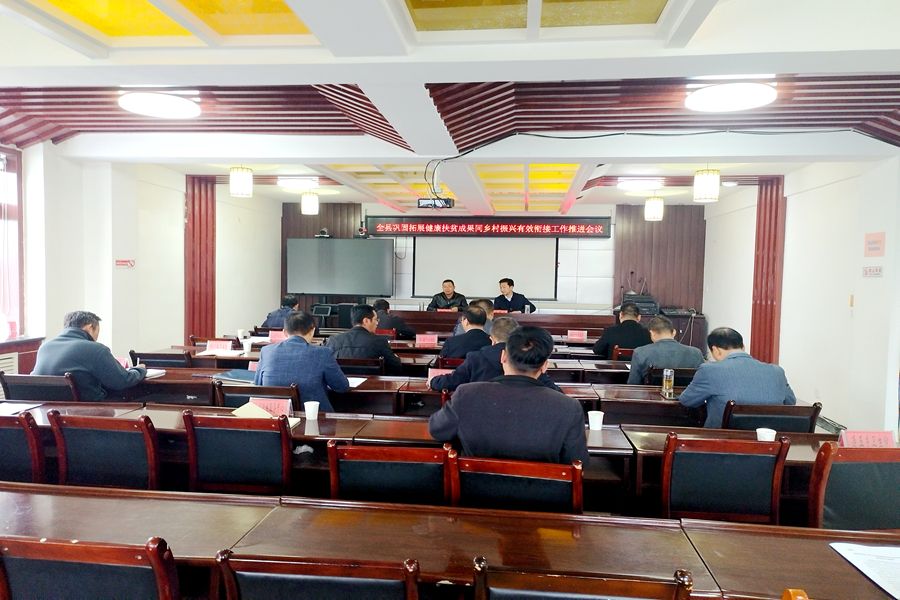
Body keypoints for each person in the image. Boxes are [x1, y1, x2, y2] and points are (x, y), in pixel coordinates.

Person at [429, 326, 588, 464]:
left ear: (503, 356)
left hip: (474, 487)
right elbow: (577, 461)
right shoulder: (568, 407)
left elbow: (437, 430)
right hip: (543, 490)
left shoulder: (466, 394)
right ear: (545, 366)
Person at [678, 327, 797, 428]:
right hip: (769, 443)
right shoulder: (777, 371)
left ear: (715, 350)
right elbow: (790, 402)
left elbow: (687, 400)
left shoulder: (709, 370)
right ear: (743, 347)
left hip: (721, 442)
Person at [31, 310, 146, 401]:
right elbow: (122, 381)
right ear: (90, 327)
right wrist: (139, 369)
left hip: (48, 412)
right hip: (88, 412)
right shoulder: (95, 349)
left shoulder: (45, 347)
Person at [430, 317, 560, 392]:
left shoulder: (475, 357)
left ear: (492, 339)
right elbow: (554, 390)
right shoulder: (528, 357)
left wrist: (433, 381)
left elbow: (453, 380)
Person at [254, 310, 349, 411]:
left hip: (275, 415)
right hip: (314, 416)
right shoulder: (323, 353)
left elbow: (258, 385)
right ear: (312, 331)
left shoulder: (266, 351)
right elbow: (341, 387)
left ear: (284, 332)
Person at [325, 304, 402, 374]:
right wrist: (396, 358)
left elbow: (326, 365)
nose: (377, 323)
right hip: (372, 384)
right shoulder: (380, 341)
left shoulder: (333, 340)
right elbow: (396, 367)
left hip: (340, 383)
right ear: (366, 321)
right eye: (376, 319)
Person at [627, 316, 705, 384]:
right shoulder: (696, 353)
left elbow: (633, 384)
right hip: (687, 396)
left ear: (652, 333)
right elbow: (702, 382)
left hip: (652, 396)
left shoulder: (640, 352)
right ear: (674, 332)